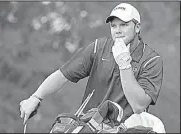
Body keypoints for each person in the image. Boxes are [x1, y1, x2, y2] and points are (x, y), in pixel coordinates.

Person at [20, 2, 163, 128]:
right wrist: (36, 97)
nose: (118, 30)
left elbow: (139, 106)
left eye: (124, 25)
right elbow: (63, 75)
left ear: (137, 27)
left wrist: (124, 64)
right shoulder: (99, 47)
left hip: (125, 129)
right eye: (114, 26)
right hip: (90, 126)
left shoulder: (151, 60)